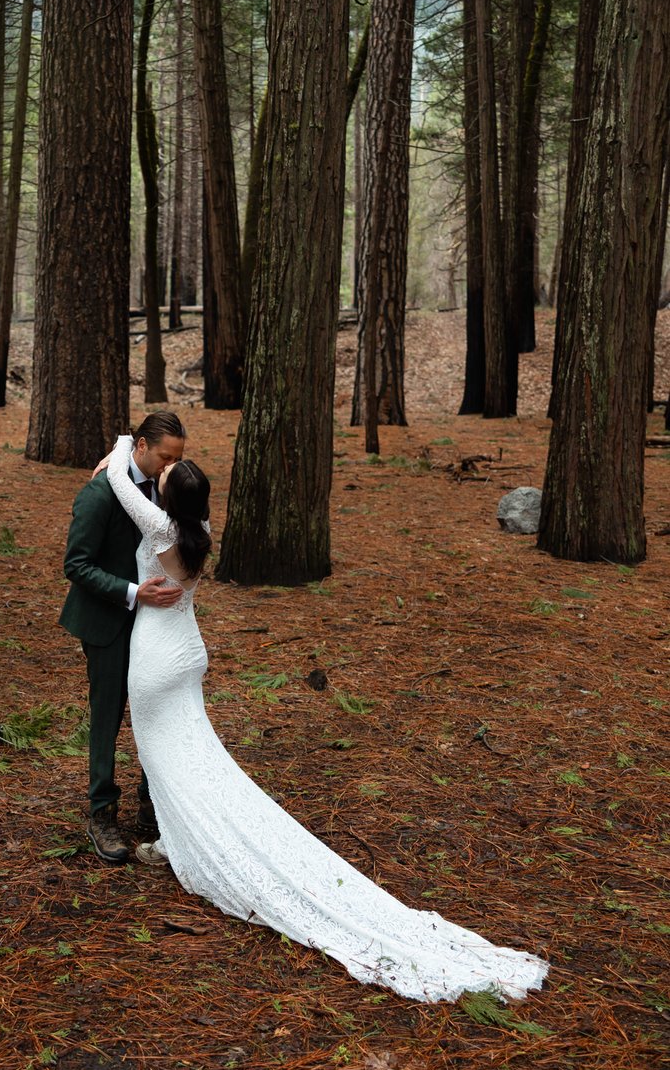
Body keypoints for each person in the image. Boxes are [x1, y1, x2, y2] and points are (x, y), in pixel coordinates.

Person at [101, 432, 549, 1003]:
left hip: (159, 659)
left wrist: (120, 443)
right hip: (189, 651)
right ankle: (179, 835)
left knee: (164, 757)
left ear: (168, 497)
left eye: (165, 477)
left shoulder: (160, 527)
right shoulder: (199, 530)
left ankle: (184, 842)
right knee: (196, 754)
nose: (159, 476)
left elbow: (120, 479)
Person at [60, 412, 186, 864]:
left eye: (177, 458)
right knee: (108, 717)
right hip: (108, 621)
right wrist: (133, 593)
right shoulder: (99, 492)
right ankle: (102, 812)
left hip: (155, 631)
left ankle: (152, 807)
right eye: (164, 457)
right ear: (139, 447)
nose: (170, 466)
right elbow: (76, 565)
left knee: (154, 715)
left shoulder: (169, 489)